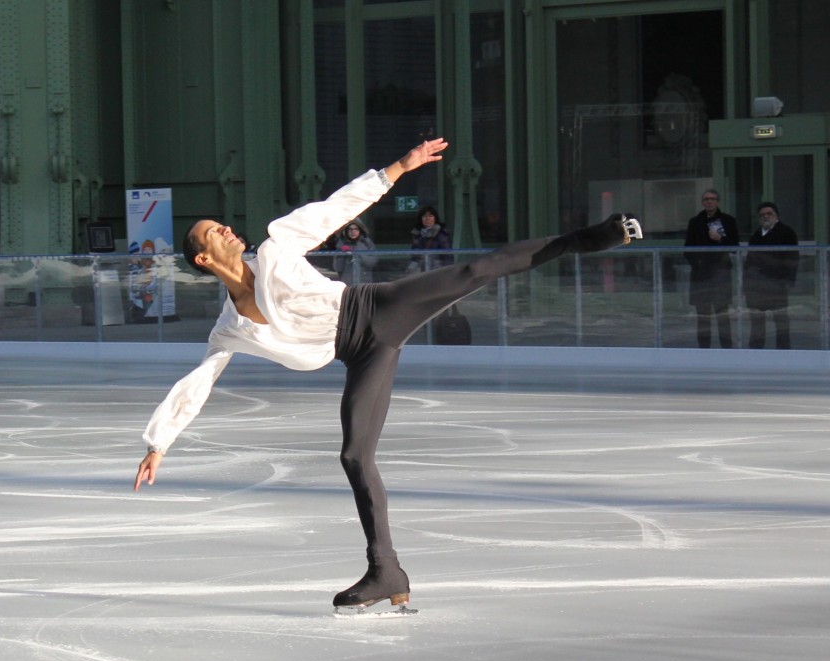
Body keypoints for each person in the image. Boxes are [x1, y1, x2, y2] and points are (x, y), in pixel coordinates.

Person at [133, 138, 640, 612]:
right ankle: (387, 572)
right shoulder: (230, 328)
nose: (224, 228)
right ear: (203, 258)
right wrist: (160, 443)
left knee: (473, 272)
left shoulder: (275, 248)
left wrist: (399, 167)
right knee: (354, 455)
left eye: (220, 223)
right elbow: (198, 382)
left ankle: (592, 237)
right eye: (211, 232)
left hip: (375, 311)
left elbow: (333, 209)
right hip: (360, 355)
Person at [683, 189, 740, 348]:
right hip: (701, 275)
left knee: (722, 313)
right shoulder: (695, 222)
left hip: (721, 273)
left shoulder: (728, 221)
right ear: (702, 202)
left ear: (718, 202)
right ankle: (704, 349)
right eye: (706, 199)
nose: (709, 201)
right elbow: (687, 249)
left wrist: (721, 239)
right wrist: (698, 264)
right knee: (703, 315)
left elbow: (735, 247)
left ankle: (727, 349)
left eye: (712, 199)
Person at [744, 201, 799, 349]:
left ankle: (783, 354)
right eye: (762, 215)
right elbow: (749, 261)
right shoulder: (756, 235)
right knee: (757, 324)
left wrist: (788, 280)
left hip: (777, 285)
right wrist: (747, 284)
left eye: (769, 214)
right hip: (757, 287)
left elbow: (792, 258)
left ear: (776, 216)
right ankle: (756, 354)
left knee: (781, 323)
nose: (766, 217)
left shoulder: (786, 232)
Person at [408, 205, 452, 273]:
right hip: (422, 271)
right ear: (421, 218)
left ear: (435, 218)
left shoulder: (441, 234)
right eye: (425, 216)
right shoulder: (417, 234)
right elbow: (415, 256)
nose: (427, 219)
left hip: (437, 271)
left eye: (430, 216)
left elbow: (447, 256)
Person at [333, 219, 377, 285]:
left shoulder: (367, 243)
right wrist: (342, 254)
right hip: (348, 283)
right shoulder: (341, 245)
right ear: (346, 231)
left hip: (365, 281)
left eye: (356, 229)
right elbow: (338, 268)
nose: (353, 232)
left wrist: (357, 255)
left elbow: (372, 263)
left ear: (360, 230)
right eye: (350, 229)